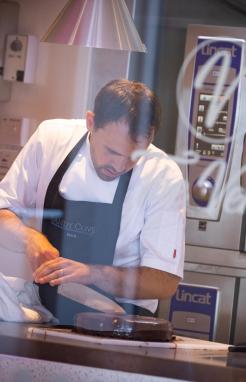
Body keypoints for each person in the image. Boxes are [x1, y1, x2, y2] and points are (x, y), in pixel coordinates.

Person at [0, 79, 186, 324]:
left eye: (135, 156)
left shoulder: (163, 175)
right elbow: (4, 210)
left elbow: (165, 282)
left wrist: (92, 274)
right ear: (90, 122)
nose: (119, 166)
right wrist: (29, 238)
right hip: (46, 308)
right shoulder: (51, 139)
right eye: (112, 151)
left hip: (121, 324)